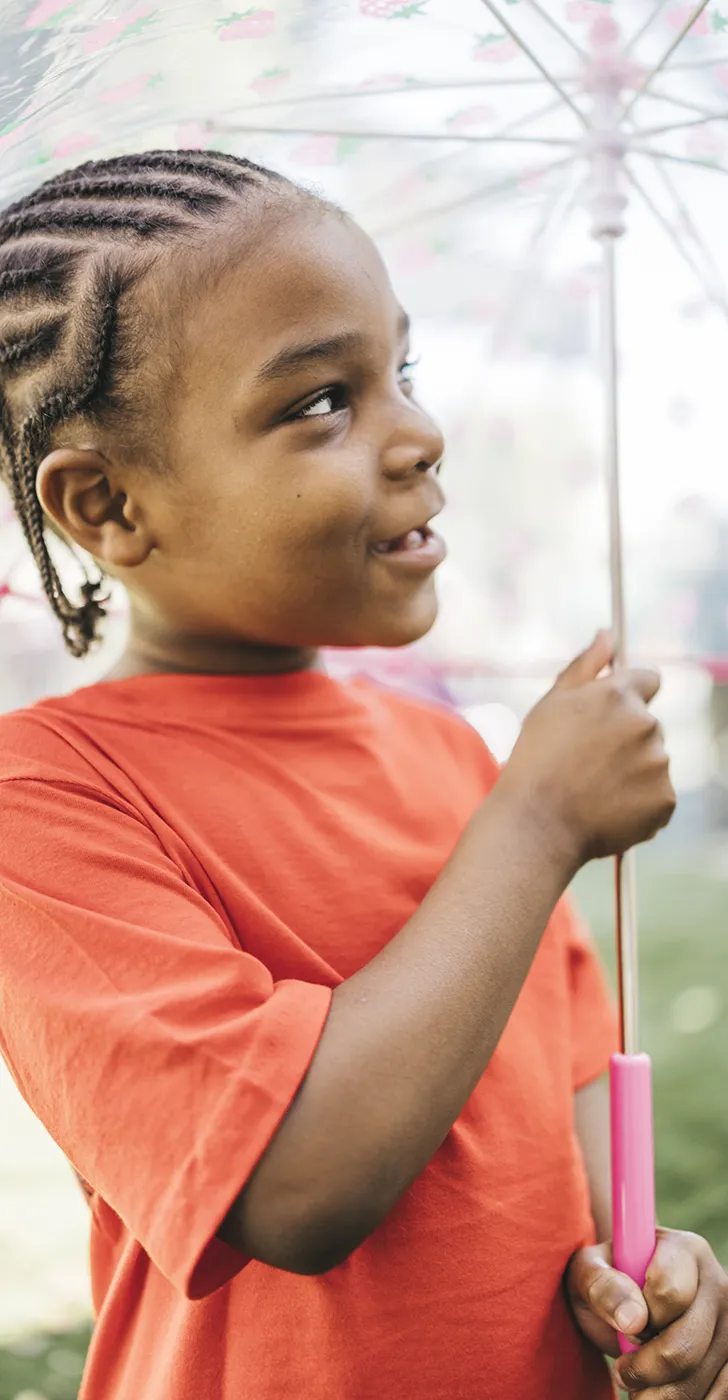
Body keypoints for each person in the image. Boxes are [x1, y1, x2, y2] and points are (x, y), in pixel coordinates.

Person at [0, 149, 724, 1400]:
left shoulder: (451, 758)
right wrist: (537, 819)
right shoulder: (48, 798)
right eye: (319, 401)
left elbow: (558, 1110)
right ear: (108, 502)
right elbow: (293, 1188)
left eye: (402, 371)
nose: (419, 431)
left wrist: (653, 1270)